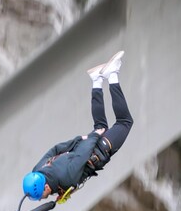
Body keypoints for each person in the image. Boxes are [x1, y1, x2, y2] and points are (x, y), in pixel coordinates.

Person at [22, 50, 134, 201]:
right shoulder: (38, 171)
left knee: (124, 122)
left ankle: (112, 75)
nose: (42, 199)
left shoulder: (67, 178)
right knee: (101, 125)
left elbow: (82, 155)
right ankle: (97, 80)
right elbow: (55, 150)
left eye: (41, 196)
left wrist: (94, 136)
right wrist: (80, 139)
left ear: (46, 188)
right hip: (85, 145)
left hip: (98, 149)